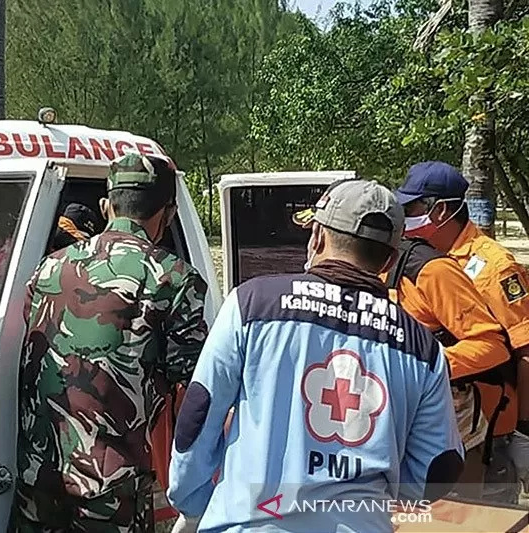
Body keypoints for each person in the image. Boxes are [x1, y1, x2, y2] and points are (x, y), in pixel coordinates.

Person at [168, 180, 463, 532]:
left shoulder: (251, 304)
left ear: (317, 237)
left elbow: (199, 416)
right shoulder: (422, 347)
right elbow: (439, 467)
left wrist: (194, 500)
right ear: (391, 258)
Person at [13, 153, 209, 533]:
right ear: (168, 215)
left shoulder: (48, 267)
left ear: (106, 206)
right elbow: (192, 378)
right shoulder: (174, 278)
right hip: (111, 485)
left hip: (38, 475)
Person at [396, 161, 529, 504]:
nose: (405, 217)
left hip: (492, 426)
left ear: (439, 210)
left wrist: (524, 430)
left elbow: (525, 350)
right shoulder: (415, 261)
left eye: (410, 208)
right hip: (436, 425)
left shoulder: (494, 266)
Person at [382, 220, 512, 499]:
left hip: (462, 418)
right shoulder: (365, 272)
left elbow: (502, 344)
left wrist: (524, 427)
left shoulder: (437, 268)